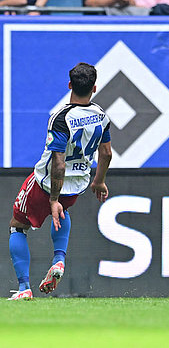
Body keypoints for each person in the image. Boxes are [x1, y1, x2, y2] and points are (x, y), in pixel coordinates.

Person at [8, 63, 112, 300]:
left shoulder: (61, 117)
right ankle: (59, 259)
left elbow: (58, 162)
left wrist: (53, 198)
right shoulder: (101, 116)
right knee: (63, 211)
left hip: (47, 183)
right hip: (78, 184)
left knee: (18, 226)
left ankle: (24, 287)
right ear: (94, 88)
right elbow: (106, 153)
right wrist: (99, 181)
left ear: (69, 85)